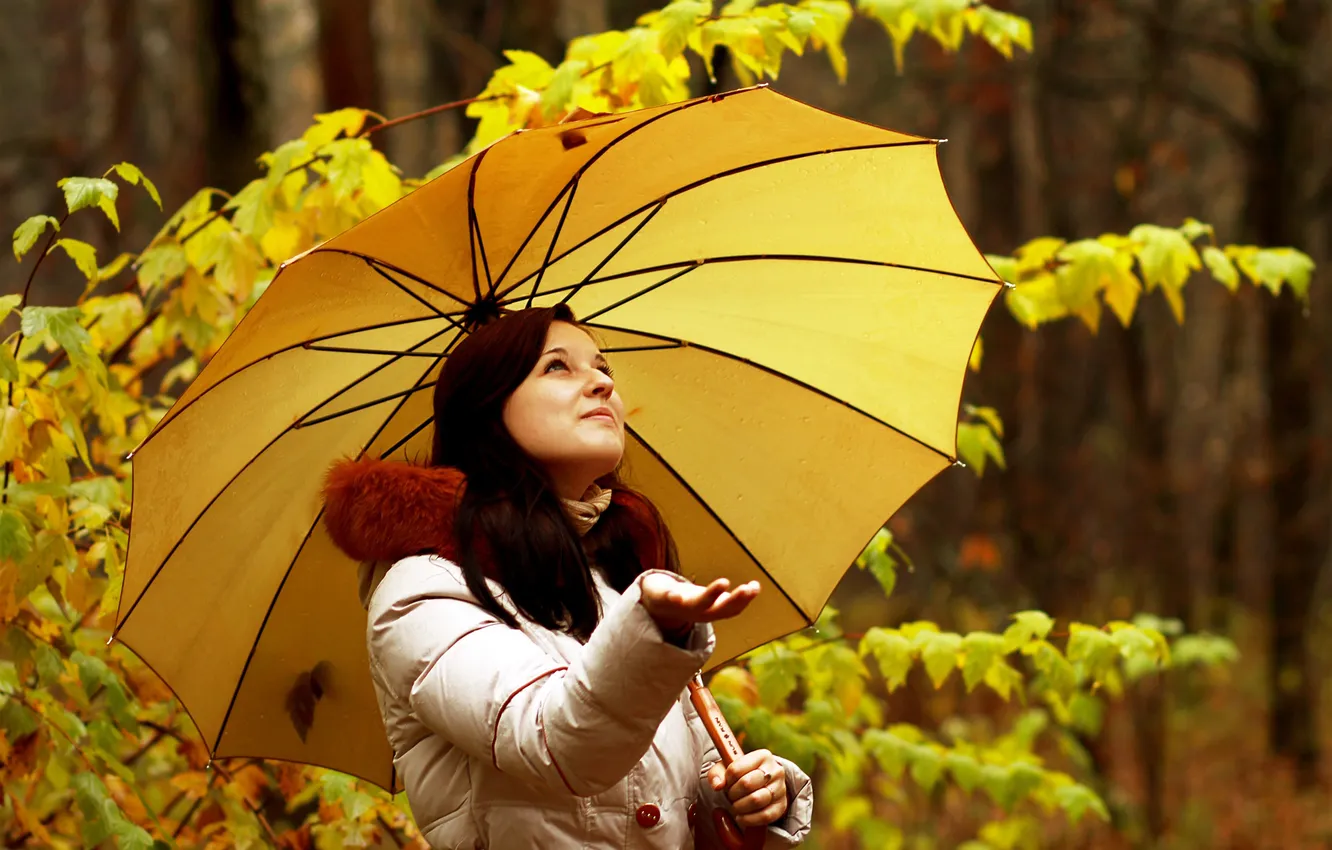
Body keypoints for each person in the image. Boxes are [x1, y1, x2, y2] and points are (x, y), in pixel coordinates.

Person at [322, 304, 813, 849]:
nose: (600, 383)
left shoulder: (612, 577)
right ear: (488, 409)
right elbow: (558, 744)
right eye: (558, 367)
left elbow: (666, 787)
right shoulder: (421, 591)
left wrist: (741, 790)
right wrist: (653, 624)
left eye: (604, 369)